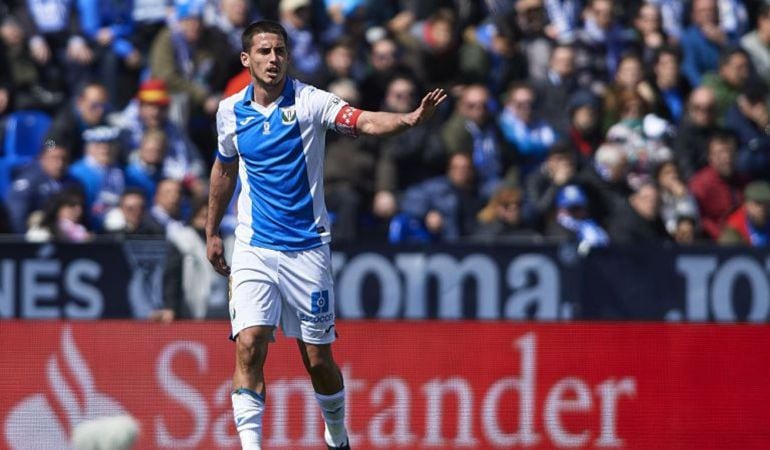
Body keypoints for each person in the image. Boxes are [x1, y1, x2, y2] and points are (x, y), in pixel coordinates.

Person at [205, 20, 446, 450]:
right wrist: (211, 231)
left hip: (307, 250)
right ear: (247, 59)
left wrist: (408, 120)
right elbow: (223, 169)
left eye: (280, 51)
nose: (273, 59)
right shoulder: (229, 111)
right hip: (254, 247)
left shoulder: (311, 101)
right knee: (250, 342)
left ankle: (336, 433)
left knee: (317, 359)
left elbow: (365, 121)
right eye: (264, 52)